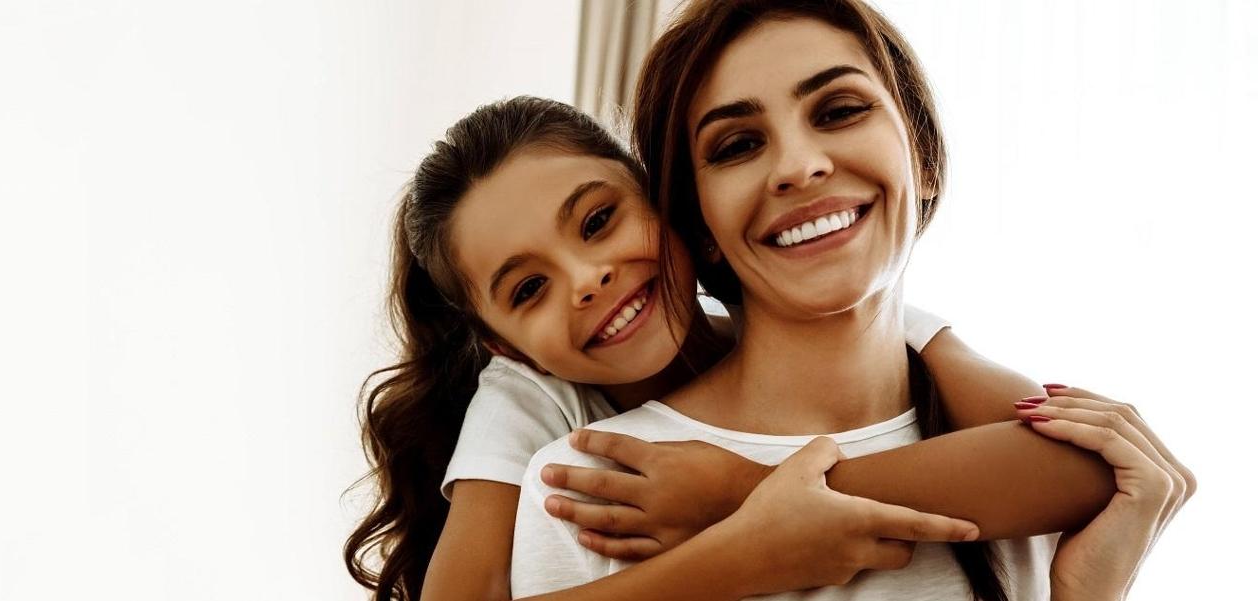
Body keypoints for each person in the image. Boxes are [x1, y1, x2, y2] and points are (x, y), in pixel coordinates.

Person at [510, 0, 1192, 599]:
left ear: (922, 156)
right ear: (701, 226)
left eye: (839, 111)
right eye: (738, 144)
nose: (800, 166)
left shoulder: (1018, 465)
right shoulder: (598, 484)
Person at [344, 94, 1115, 600]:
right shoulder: (529, 405)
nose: (587, 277)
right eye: (527, 290)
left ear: (665, 198)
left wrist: (740, 487)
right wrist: (743, 554)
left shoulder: (821, 313)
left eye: (598, 221)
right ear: (505, 346)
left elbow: (1069, 461)